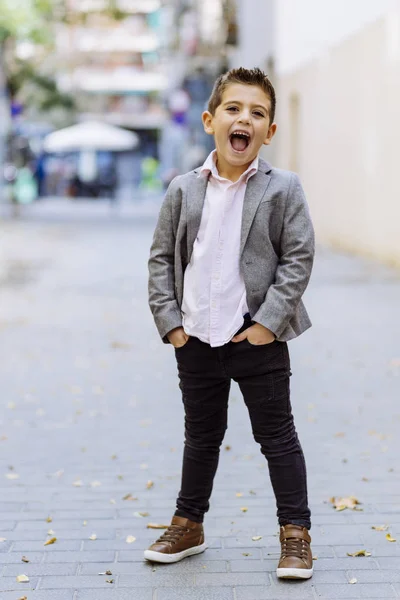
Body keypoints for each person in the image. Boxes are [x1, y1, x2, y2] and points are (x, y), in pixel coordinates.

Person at [147, 67, 315, 580]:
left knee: (277, 436)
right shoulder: (183, 188)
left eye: (258, 113)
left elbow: (298, 258)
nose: (245, 118)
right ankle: (188, 523)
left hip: (255, 335)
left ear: (270, 131)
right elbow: (161, 258)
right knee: (201, 435)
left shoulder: (282, 188)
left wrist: (268, 323)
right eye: (234, 109)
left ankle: (295, 534)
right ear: (209, 120)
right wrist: (170, 322)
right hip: (195, 334)